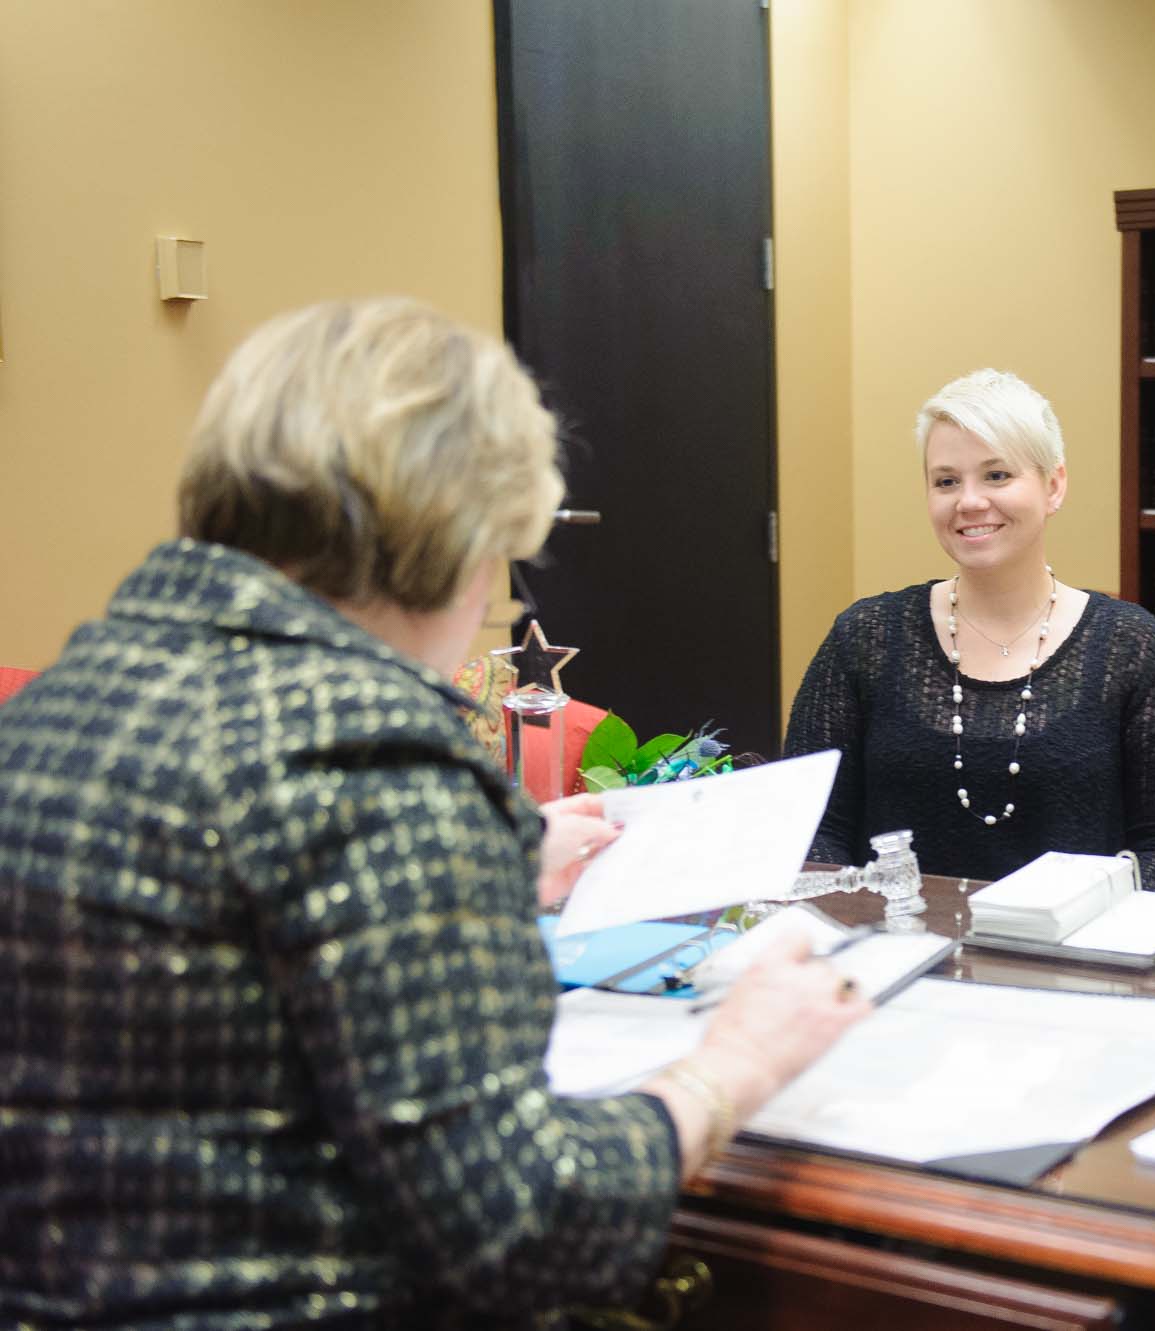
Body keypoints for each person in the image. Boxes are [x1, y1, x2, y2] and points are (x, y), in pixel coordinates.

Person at [0, 299, 870, 1328]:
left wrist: (491, 865)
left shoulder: (62, 702)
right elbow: (527, 1226)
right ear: (457, 536)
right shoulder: (370, 753)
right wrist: (736, 1062)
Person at [784, 368, 1155, 891]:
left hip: (1070, 957)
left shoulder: (1133, 650)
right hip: (895, 951)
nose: (968, 501)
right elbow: (807, 826)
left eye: (996, 475)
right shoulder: (864, 638)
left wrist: (1082, 927)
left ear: (1053, 486)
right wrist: (862, 926)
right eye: (946, 481)